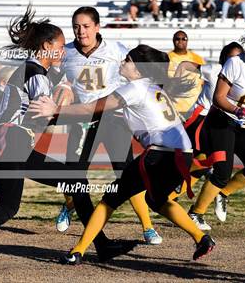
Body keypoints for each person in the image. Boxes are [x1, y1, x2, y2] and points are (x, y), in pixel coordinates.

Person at [0, 6, 139, 272]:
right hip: (12, 144)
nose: (63, 51)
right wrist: (85, 117)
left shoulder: (32, 70)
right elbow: (46, 116)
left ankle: (102, 244)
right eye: (59, 46)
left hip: (15, 143)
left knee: (74, 180)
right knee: (7, 208)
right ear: (46, 46)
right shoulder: (36, 74)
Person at [30, 44, 216, 264]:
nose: (122, 62)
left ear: (137, 69)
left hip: (161, 154)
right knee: (155, 200)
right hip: (181, 154)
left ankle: (76, 252)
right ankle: (201, 238)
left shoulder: (134, 88)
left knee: (109, 199)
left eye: (127, 60)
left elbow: (91, 109)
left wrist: (55, 111)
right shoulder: (152, 87)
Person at [54, 6, 162, 245]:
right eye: (76, 26)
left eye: (86, 26)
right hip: (81, 120)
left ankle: (147, 226)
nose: (81, 31)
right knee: (73, 171)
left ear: (97, 27)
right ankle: (70, 204)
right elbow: (58, 81)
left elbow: (136, 76)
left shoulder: (116, 50)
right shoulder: (66, 53)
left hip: (114, 120)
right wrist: (62, 92)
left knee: (126, 173)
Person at [188, 26, 245, 230]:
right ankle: (196, 213)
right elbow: (218, 97)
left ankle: (223, 193)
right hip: (222, 119)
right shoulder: (235, 63)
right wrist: (237, 109)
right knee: (222, 170)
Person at [169, 42, 244, 217]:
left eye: (239, 57)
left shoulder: (243, 75)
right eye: (232, 57)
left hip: (218, 121)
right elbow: (188, 65)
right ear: (225, 59)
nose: (236, 61)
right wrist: (179, 74)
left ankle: (174, 190)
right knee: (203, 159)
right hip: (201, 119)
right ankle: (178, 180)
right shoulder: (215, 69)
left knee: (204, 162)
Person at [168, 30, 206, 116]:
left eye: (183, 39)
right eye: (177, 39)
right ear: (173, 40)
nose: (180, 41)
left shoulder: (198, 58)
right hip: (175, 106)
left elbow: (204, 81)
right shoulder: (166, 58)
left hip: (194, 106)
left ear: (187, 40)